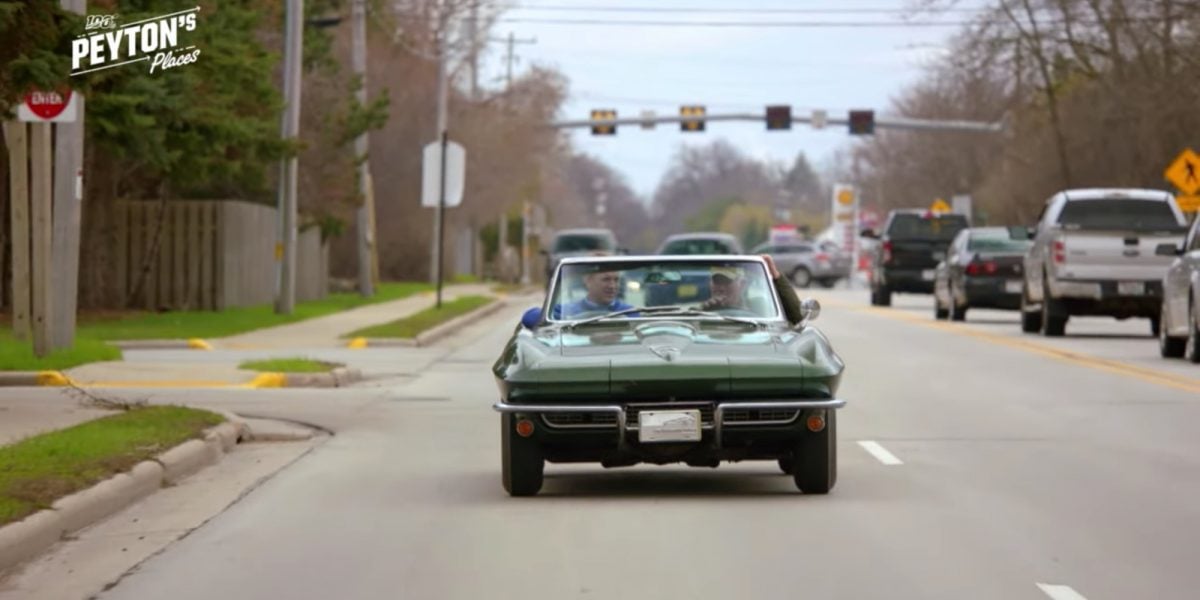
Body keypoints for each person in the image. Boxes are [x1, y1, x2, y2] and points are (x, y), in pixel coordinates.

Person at [551, 266, 636, 319]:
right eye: (606, 279)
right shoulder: (563, 311)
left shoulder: (629, 312)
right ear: (588, 281)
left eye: (616, 280)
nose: (612, 286)